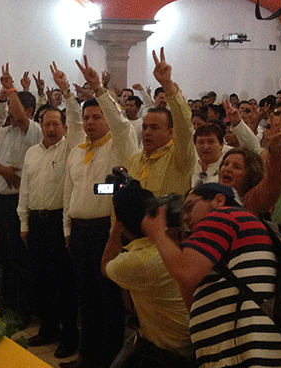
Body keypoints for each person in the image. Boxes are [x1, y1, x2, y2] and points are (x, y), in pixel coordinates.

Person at [142, 183, 281, 367]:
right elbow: (192, 300)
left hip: (251, 353)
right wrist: (175, 246)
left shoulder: (223, 216)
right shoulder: (233, 232)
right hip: (244, 354)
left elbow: (186, 272)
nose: (185, 218)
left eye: (190, 207)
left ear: (219, 200)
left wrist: (157, 232)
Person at [60, 56, 139, 368]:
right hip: (79, 230)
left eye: (97, 117)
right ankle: (87, 355)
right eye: (87, 117)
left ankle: (108, 360)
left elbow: (121, 126)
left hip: (105, 232)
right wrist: (67, 229)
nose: (90, 122)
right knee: (85, 296)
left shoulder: (118, 145)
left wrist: (100, 91)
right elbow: (70, 191)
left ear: (107, 119)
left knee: (108, 298)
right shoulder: (78, 150)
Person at [17, 63, 82, 360]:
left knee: (64, 283)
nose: (52, 129)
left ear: (65, 127)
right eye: (47, 124)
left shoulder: (70, 149)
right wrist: (24, 222)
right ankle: (48, 328)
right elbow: (25, 190)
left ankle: (70, 335)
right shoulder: (32, 152)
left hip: (59, 222)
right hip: (36, 222)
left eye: (57, 124)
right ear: (40, 126)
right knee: (40, 279)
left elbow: (77, 119)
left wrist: (66, 90)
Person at [103, 184, 194, 368]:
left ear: (124, 226)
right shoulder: (175, 244)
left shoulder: (137, 261)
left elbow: (105, 266)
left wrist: (116, 229)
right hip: (193, 342)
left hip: (168, 353)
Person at [0, 64, 41, 328]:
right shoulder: (5, 132)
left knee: (21, 259)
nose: (9, 113)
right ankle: (7, 304)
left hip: (20, 204)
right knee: (5, 256)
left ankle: (24, 310)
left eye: (13, 107)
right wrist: (4, 170)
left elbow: (18, 116)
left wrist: (10, 88)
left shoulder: (32, 130)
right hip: (2, 202)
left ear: (29, 111)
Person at [125, 48, 195, 198]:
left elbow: (184, 126)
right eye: (144, 127)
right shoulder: (133, 161)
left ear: (171, 132)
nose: (147, 132)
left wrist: (167, 84)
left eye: (154, 128)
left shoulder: (180, 158)